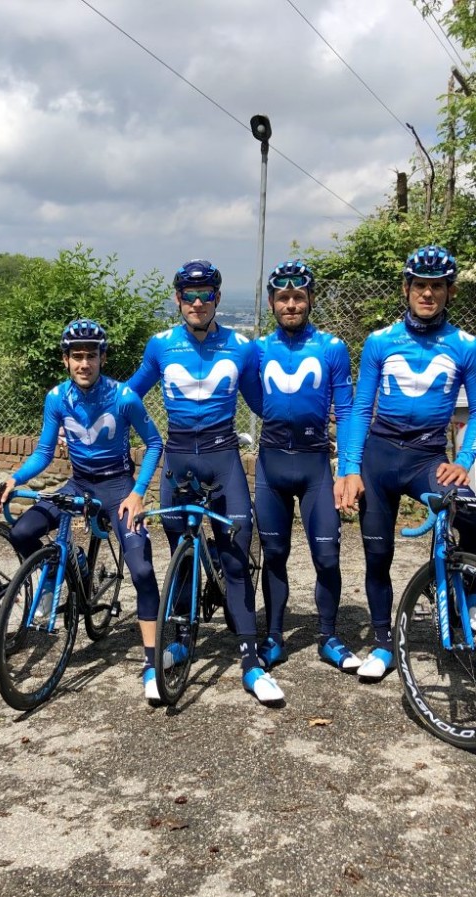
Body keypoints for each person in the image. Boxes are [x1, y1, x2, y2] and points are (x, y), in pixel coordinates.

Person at [126, 259, 282, 704]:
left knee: (235, 561)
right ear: (178, 299)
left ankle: (251, 662)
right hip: (177, 460)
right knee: (179, 554)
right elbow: (128, 395)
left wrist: (303, 422)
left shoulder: (242, 347)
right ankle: (177, 641)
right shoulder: (160, 346)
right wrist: (89, 417)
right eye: (189, 296)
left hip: (223, 459)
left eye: (206, 295)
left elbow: (262, 401)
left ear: (216, 297)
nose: (197, 303)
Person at [336, 245, 476, 681]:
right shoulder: (380, 341)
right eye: (420, 286)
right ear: (406, 289)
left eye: (437, 286)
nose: (428, 294)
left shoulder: (467, 346)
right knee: (377, 554)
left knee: (473, 515)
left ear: (449, 292)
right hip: (380, 457)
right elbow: (360, 408)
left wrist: (463, 460)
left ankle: (474, 595)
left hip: (427, 457)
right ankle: (384, 642)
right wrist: (349, 467)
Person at [0, 319, 165, 702]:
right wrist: (14, 479)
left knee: (140, 568)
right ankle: (55, 574)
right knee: (21, 532)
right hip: (79, 482)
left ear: (102, 357)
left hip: (118, 486)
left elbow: (154, 444)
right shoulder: (57, 398)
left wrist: (137, 494)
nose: (83, 364)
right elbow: (43, 452)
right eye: (76, 357)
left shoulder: (123, 397)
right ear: (66, 360)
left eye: (91, 356)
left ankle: (153, 661)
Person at [249, 260, 358, 672]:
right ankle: (274, 635)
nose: (291, 304)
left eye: (298, 297)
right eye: (283, 298)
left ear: (310, 299)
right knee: (274, 554)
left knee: (327, 555)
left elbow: (346, 411)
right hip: (271, 462)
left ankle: (329, 636)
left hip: (315, 465)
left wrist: (347, 468)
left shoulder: (332, 347)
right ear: (272, 303)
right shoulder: (258, 349)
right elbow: (246, 394)